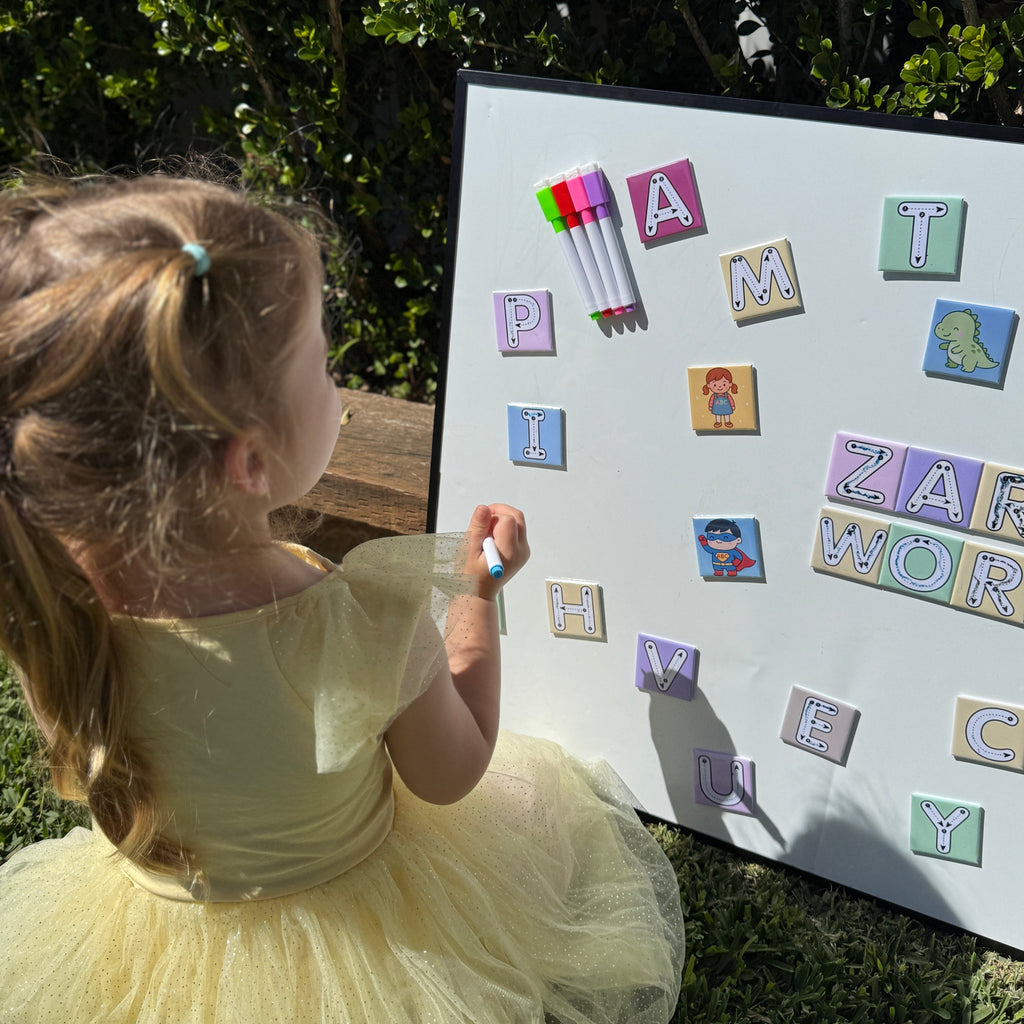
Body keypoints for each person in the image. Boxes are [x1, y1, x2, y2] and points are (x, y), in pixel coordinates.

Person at [0, 174, 683, 1023]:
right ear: (249, 462)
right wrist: (478, 593)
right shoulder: (351, 614)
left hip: (158, 947)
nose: (338, 383)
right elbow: (451, 771)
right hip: (372, 943)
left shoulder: (52, 597)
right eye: (323, 366)